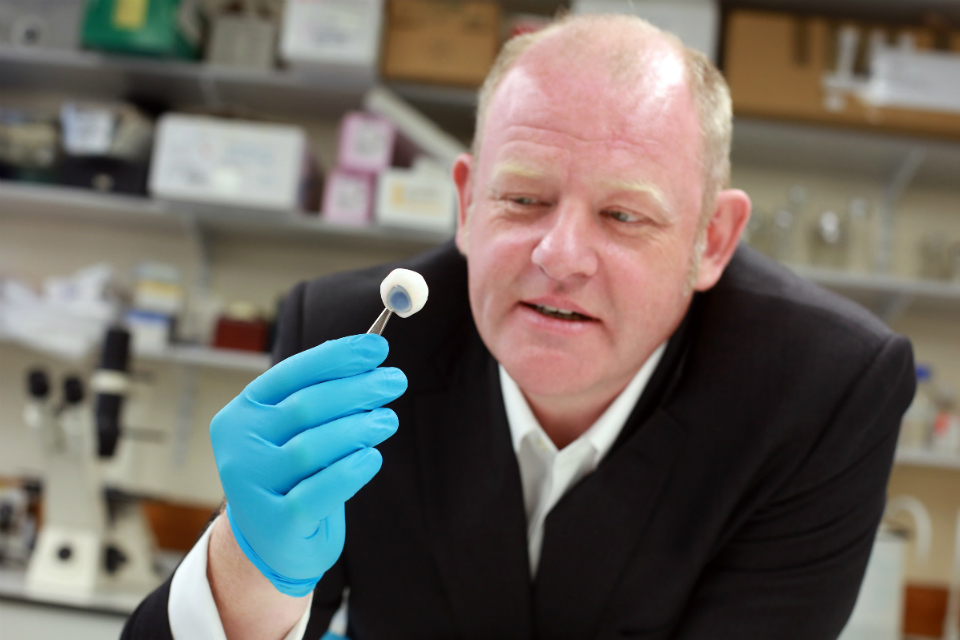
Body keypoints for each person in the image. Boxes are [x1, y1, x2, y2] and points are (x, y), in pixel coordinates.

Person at [122, 14, 915, 640]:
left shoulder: (822, 390)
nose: (560, 256)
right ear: (467, 204)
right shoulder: (349, 338)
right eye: (524, 199)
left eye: (624, 215)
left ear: (710, 240)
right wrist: (245, 573)